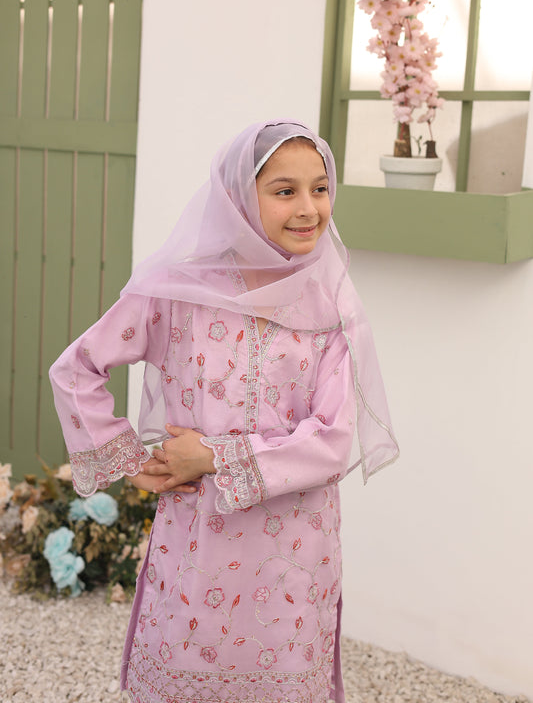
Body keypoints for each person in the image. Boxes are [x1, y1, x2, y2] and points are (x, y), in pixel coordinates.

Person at [49, 119, 399, 703]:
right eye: (284, 190)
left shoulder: (333, 305)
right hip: (198, 539)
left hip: (293, 551)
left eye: (320, 187)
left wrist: (210, 455)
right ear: (238, 198)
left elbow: (333, 440)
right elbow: (78, 368)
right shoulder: (177, 293)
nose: (309, 208)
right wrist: (125, 457)